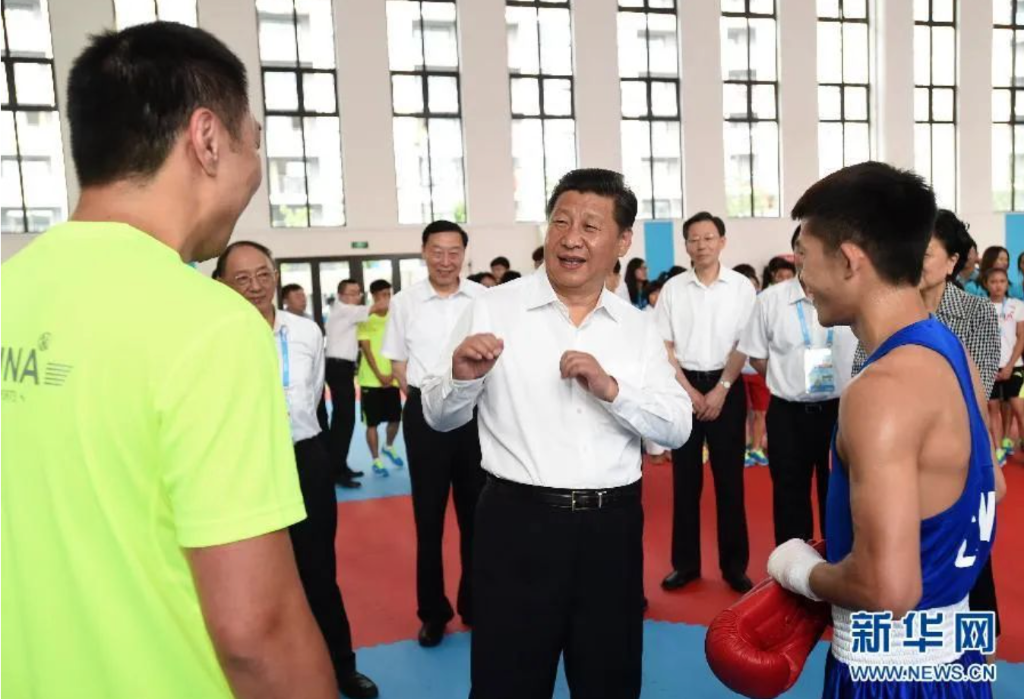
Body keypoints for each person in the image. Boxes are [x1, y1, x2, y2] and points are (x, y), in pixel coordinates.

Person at [1, 22, 337, 699]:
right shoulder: (209, 327)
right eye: (256, 142)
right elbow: (256, 631)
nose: (256, 168)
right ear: (208, 139)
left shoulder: (11, 289)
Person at [423, 168, 691, 699]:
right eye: (561, 221)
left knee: (609, 679)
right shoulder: (493, 308)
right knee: (508, 682)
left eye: (591, 226)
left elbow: (677, 426)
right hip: (516, 525)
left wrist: (612, 389)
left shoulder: (636, 327)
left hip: (610, 530)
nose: (571, 238)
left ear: (621, 241)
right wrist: (461, 380)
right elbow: (440, 416)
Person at [767, 161, 1005, 699]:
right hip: (954, 659)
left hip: (890, 675)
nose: (802, 280)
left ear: (850, 260)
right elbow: (993, 488)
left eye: (804, 257)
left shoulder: (879, 390)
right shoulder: (952, 351)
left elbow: (887, 590)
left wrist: (799, 569)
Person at [218, 242, 378, 699]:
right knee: (248, 577)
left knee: (318, 570)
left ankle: (341, 668)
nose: (254, 286)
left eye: (262, 274)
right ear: (224, 284)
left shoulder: (307, 331)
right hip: (244, 463)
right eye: (241, 278)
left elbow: (311, 395)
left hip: (304, 457)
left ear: (275, 275)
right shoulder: (216, 335)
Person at [382, 220, 485, 647]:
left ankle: (476, 603)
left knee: (477, 517)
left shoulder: (483, 298)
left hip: (476, 413)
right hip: (424, 413)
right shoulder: (405, 302)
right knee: (429, 520)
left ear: (464, 254)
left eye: (454, 251)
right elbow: (396, 361)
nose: (446, 260)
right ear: (424, 252)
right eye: (437, 251)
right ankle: (433, 612)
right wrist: (427, 398)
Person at [657, 211, 756, 594]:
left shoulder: (741, 288)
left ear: (722, 242)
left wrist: (721, 388)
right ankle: (685, 565)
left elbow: (744, 343)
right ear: (686, 245)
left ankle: (734, 567)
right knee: (685, 482)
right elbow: (664, 346)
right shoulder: (673, 289)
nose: (701, 245)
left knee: (730, 483)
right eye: (694, 239)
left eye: (708, 237)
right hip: (683, 388)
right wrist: (689, 391)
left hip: (726, 388)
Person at [739, 226, 851, 544]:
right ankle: (792, 574)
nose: (809, 255)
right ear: (796, 254)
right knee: (790, 496)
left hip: (839, 412)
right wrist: (785, 377)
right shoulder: (770, 301)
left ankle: (839, 567)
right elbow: (757, 356)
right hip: (788, 413)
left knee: (839, 492)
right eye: (802, 249)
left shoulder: (849, 295)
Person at [325, 279, 383, 486]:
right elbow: (379, 307)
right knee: (343, 421)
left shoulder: (346, 311)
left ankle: (339, 466)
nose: (356, 297)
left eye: (358, 293)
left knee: (345, 421)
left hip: (342, 368)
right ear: (340, 295)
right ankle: (335, 471)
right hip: (338, 368)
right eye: (351, 293)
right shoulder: (345, 311)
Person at [357, 279, 405, 477]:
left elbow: (402, 347)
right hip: (371, 380)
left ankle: (389, 446)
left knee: (395, 420)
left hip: (393, 378)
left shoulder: (395, 317)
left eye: (388, 294)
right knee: (372, 424)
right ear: (374, 296)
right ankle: (376, 460)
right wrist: (380, 375)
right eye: (382, 295)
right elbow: (366, 350)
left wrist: (393, 374)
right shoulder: (365, 318)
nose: (386, 298)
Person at [981, 267, 1024, 466]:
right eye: (993, 281)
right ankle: (998, 449)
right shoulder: (981, 306)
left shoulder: (1017, 305)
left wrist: (1009, 365)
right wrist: (989, 366)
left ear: (1007, 284)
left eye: (1002, 281)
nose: (998, 285)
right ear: (986, 284)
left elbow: (1022, 337)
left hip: (1014, 366)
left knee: (1019, 409)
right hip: (990, 367)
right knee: (993, 409)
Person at [732, 263, 770, 467]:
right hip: (737, 371)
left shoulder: (764, 307)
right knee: (742, 415)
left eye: (753, 284)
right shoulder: (731, 309)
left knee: (760, 412)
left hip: (759, 370)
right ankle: (744, 449)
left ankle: (756, 448)